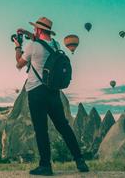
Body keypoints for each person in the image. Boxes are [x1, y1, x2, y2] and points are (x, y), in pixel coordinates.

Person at [14, 17, 89, 176]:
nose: (34, 31)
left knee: (41, 129)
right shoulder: (56, 45)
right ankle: (80, 160)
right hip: (54, 92)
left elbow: (19, 64)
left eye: (35, 29)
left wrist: (17, 46)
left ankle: (45, 166)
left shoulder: (32, 46)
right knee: (63, 126)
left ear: (39, 30)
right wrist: (26, 33)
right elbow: (41, 41)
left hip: (36, 92)